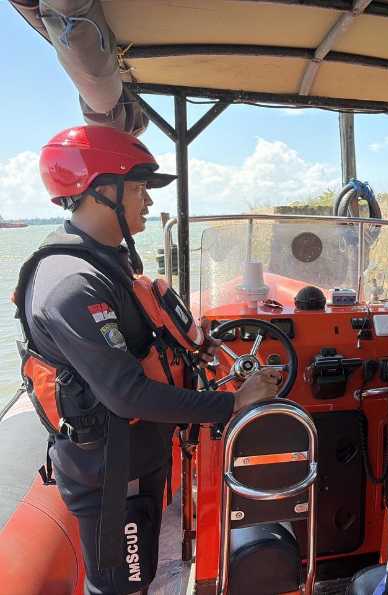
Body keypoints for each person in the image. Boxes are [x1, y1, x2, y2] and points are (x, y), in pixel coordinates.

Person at [15, 125, 280, 595]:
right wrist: (234, 402)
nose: (148, 202)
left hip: (139, 461)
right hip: (113, 480)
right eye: (138, 188)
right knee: (121, 586)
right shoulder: (72, 284)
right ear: (100, 191)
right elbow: (126, 393)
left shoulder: (105, 263)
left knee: (146, 578)